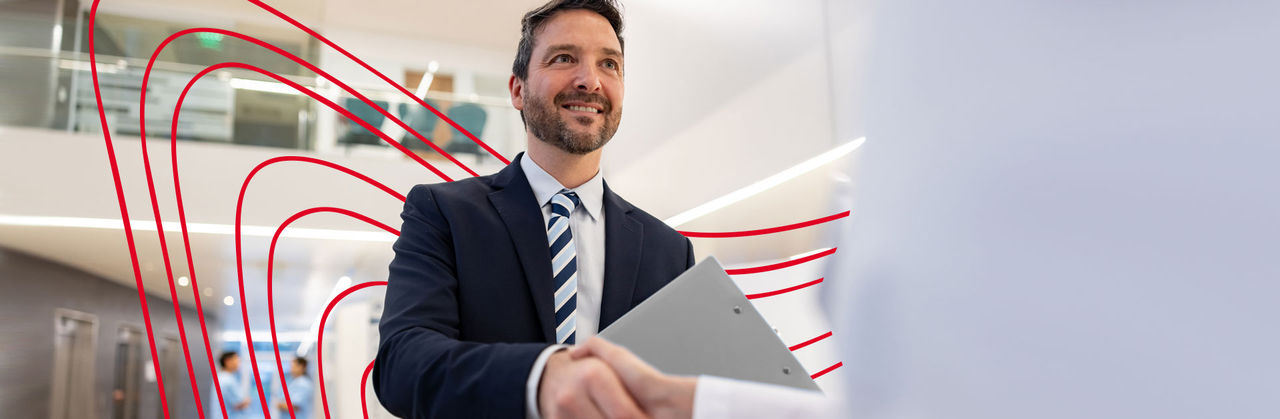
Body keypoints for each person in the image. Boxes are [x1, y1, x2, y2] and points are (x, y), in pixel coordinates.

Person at [373, 1, 695, 418]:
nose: (590, 80)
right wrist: (541, 375)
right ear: (518, 91)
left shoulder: (669, 251)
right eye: (564, 58)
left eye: (609, 64)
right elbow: (402, 365)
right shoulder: (444, 214)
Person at [217, 351, 253, 419]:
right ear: (227, 361)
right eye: (236, 360)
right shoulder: (227, 380)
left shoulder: (221, 377)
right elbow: (237, 404)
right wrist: (247, 402)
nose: (238, 364)